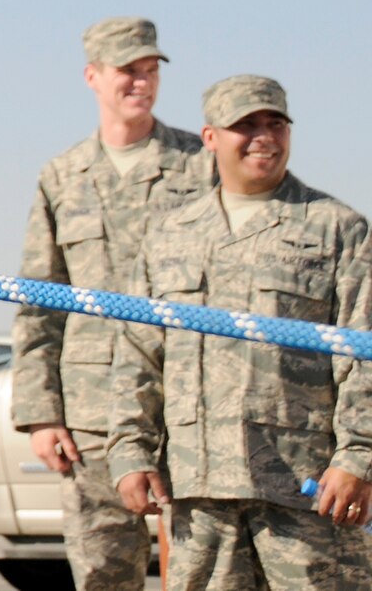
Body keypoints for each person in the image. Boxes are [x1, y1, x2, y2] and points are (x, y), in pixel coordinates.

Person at [111, 75, 372, 589]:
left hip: (307, 488)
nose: (263, 136)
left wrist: (359, 457)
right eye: (244, 125)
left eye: (275, 123)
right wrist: (131, 453)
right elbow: (138, 354)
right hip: (198, 486)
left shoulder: (337, 228)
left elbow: (363, 353)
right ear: (210, 137)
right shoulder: (171, 235)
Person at [10, 15, 212, 591]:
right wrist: (43, 414)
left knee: (203, 568)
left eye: (150, 70)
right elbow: (37, 301)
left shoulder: (200, 165)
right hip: (91, 410)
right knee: (103, 571)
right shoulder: (63, 176)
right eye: (128, 71)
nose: (141, 82)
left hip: (189, 400)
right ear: (93, 76)